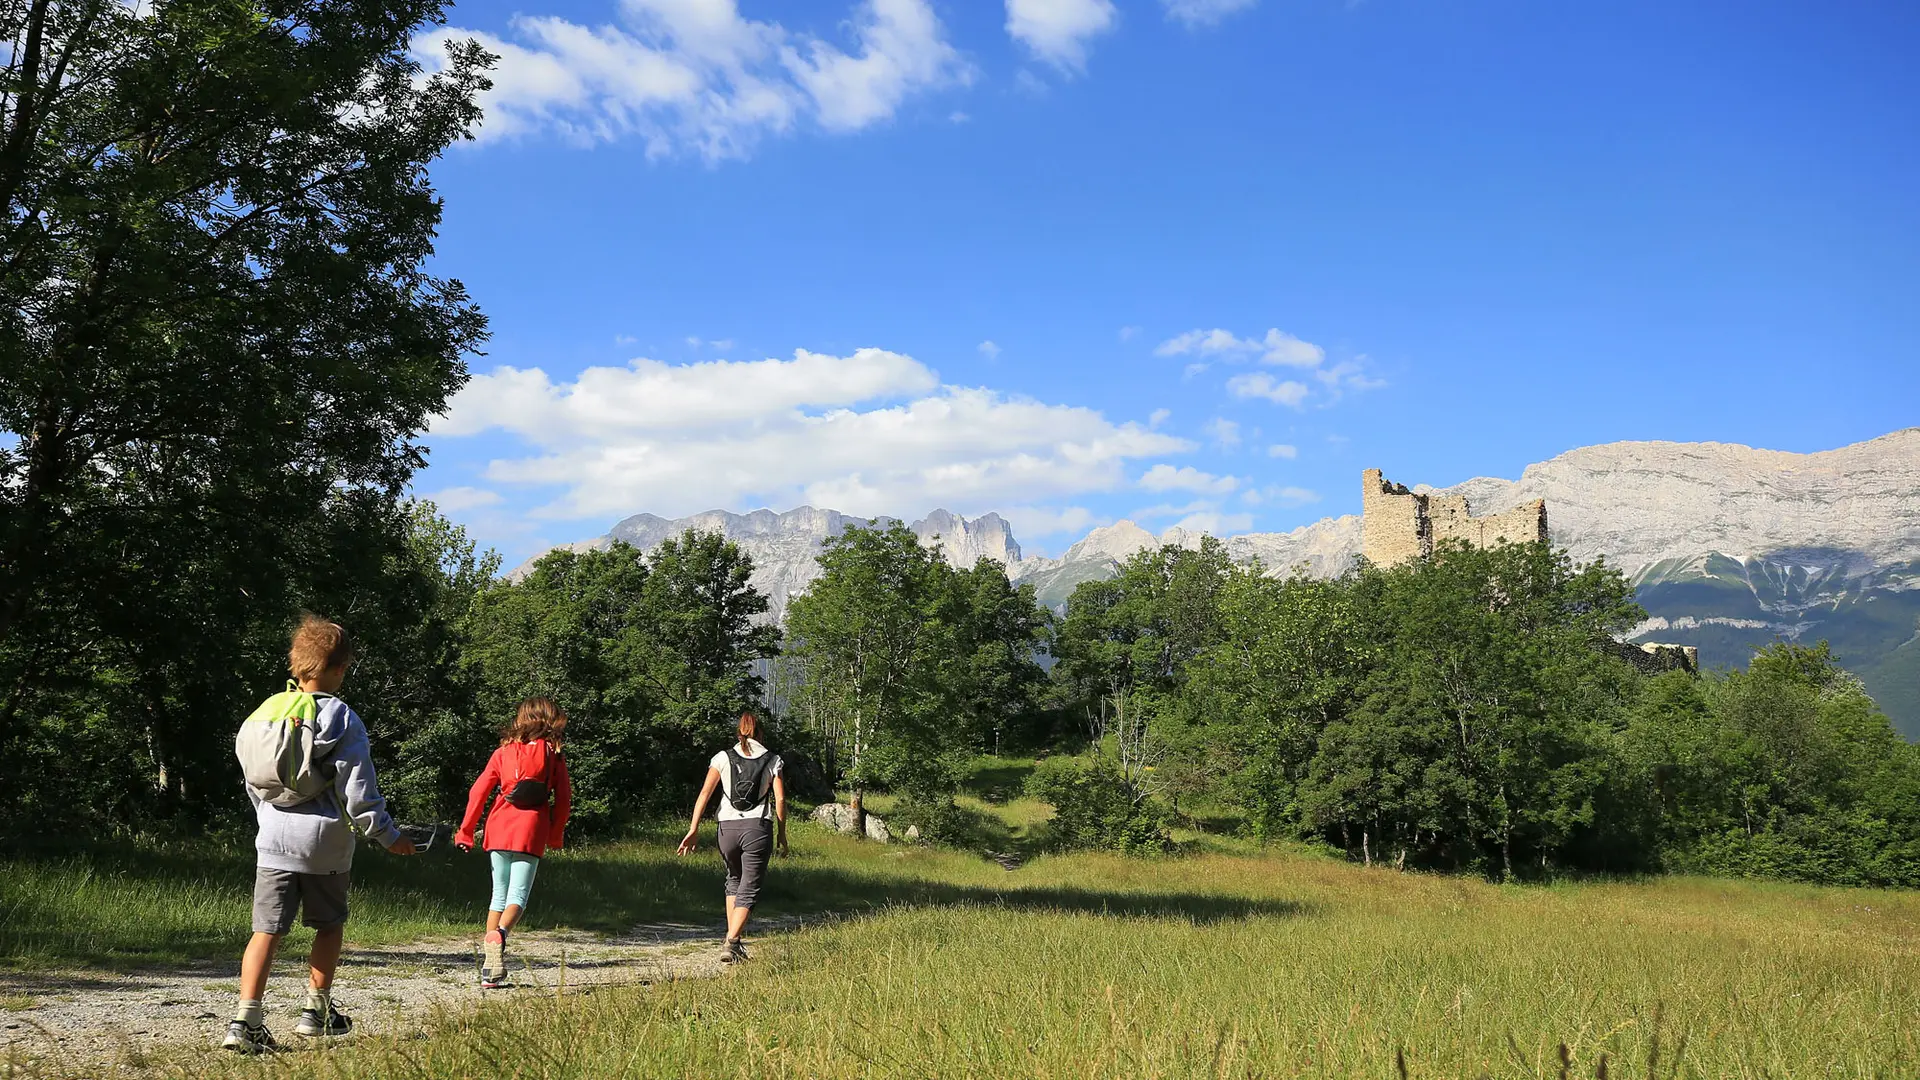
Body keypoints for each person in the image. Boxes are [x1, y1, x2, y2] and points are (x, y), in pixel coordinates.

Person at [223, 615, 416, 1054]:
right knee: (328, 925)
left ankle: (245, 1020)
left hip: (272, 838)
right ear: (341, 668)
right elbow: (358, 790)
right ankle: (316, 1011)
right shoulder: (341, 716)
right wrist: (387, 836)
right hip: (324, 843)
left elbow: (255, 784)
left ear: (296, 664)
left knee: (266, 930)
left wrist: (269, 823)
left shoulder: (266, 711)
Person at [454, 697, 573, 989]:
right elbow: (564, 800)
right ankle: (502, 934)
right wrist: (556, 834)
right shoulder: (553, 755)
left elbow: (478, 792)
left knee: (498, 895)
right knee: (517, 897)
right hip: (530, 829)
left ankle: (490, 969)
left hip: (498, 827)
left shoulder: (502, 752)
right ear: (550, 720)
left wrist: (466, 832)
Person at [676, 712, 787, 963]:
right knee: (750, 887)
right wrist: (782, 834)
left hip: (726, 827)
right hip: (757, 828)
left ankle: (733, 943)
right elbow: (779, 799)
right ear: (760, 732)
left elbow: (705, 793)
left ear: (738, 731)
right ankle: (731, 940)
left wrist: (693, 829)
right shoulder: (773, 759)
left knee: (734, 880)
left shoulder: (722, 757)